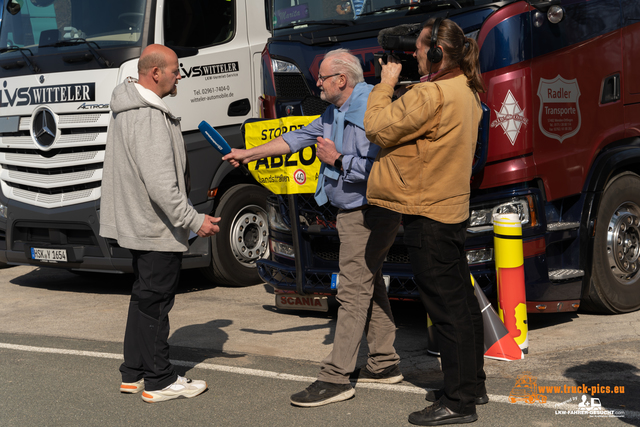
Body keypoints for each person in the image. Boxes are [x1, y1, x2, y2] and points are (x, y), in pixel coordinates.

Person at [223, 48, 403, 407]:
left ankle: (336, 377)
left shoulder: (373, 109)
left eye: (321, 77)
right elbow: (295, 139)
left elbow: (383, 169)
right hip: (353, 211)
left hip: (371, 211)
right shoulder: (333, 110)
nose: (316, 82)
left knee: (352, 290)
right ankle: (384, 361)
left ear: (342, 80)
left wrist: (337, 160)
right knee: (367, 281)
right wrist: (247, 154)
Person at [364, 18, 487, 425]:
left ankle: (458, 403)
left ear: (436, 53)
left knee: (446, 309)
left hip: (428, 212)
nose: (413, 53)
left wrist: (385, 83)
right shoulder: (466, 87)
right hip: (451, 208)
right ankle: (471, 386)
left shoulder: (431, 93)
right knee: (462, 304)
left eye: (418, 48)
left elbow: (376, 128)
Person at [99, 44, 220, 403]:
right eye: (175, 69)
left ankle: (133, 373)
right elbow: (161, 184)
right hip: (155, 227)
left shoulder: (128, 108)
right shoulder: (149, 115)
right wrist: (193, 220)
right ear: (155, 73)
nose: (179, 75)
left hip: (137, 223)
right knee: (156, 302)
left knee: (143, 298)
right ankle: (159, 381)